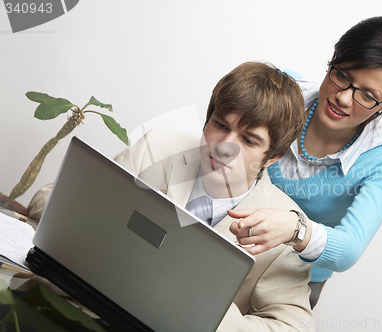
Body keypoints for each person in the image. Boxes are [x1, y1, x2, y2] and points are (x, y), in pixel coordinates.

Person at [28, 62, 316, 331]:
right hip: (74, 305)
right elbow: (45, 199)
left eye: (249, 140)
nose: (224, 147)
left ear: (273, 157)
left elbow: (294, 326)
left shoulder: (282, 226)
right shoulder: (157, 146)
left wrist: (210, 312)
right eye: (221, 126)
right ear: (207, 121)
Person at [228, 16, 382, 308]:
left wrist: (295, 228)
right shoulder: (286, 93)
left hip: (292, 279)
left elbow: (349, 248)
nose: (344, 98)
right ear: (333, 59)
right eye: (342, 76)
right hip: (226, 238)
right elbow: (222, 145)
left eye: (367, 95)